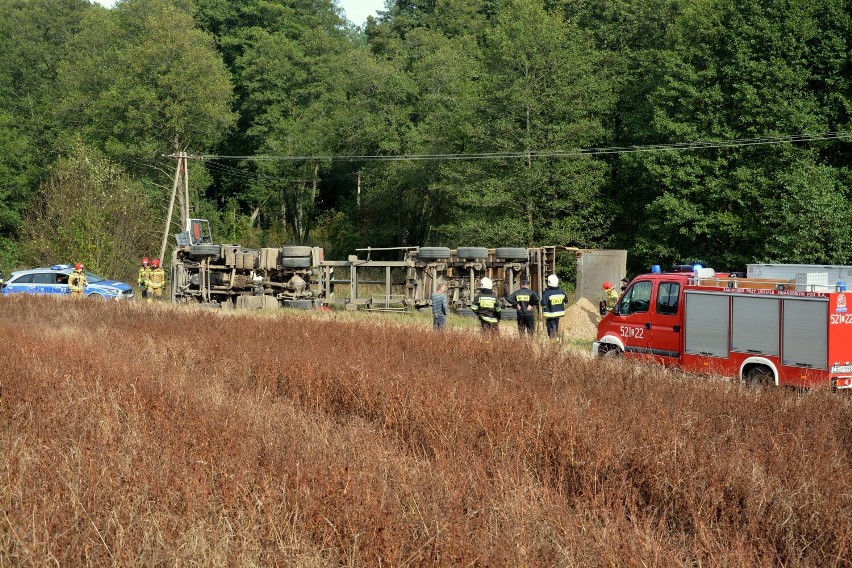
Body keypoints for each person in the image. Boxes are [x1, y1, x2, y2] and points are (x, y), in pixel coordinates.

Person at [541, 274, 567, 341]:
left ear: (549, 282)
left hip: (550, 314)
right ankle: (556, 341)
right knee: (556, 327)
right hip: (559, 313)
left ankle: (553, 344)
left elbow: (543, 303)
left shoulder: (547, 293)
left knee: (551, 328)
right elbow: (566, 300)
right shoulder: (561, 291)